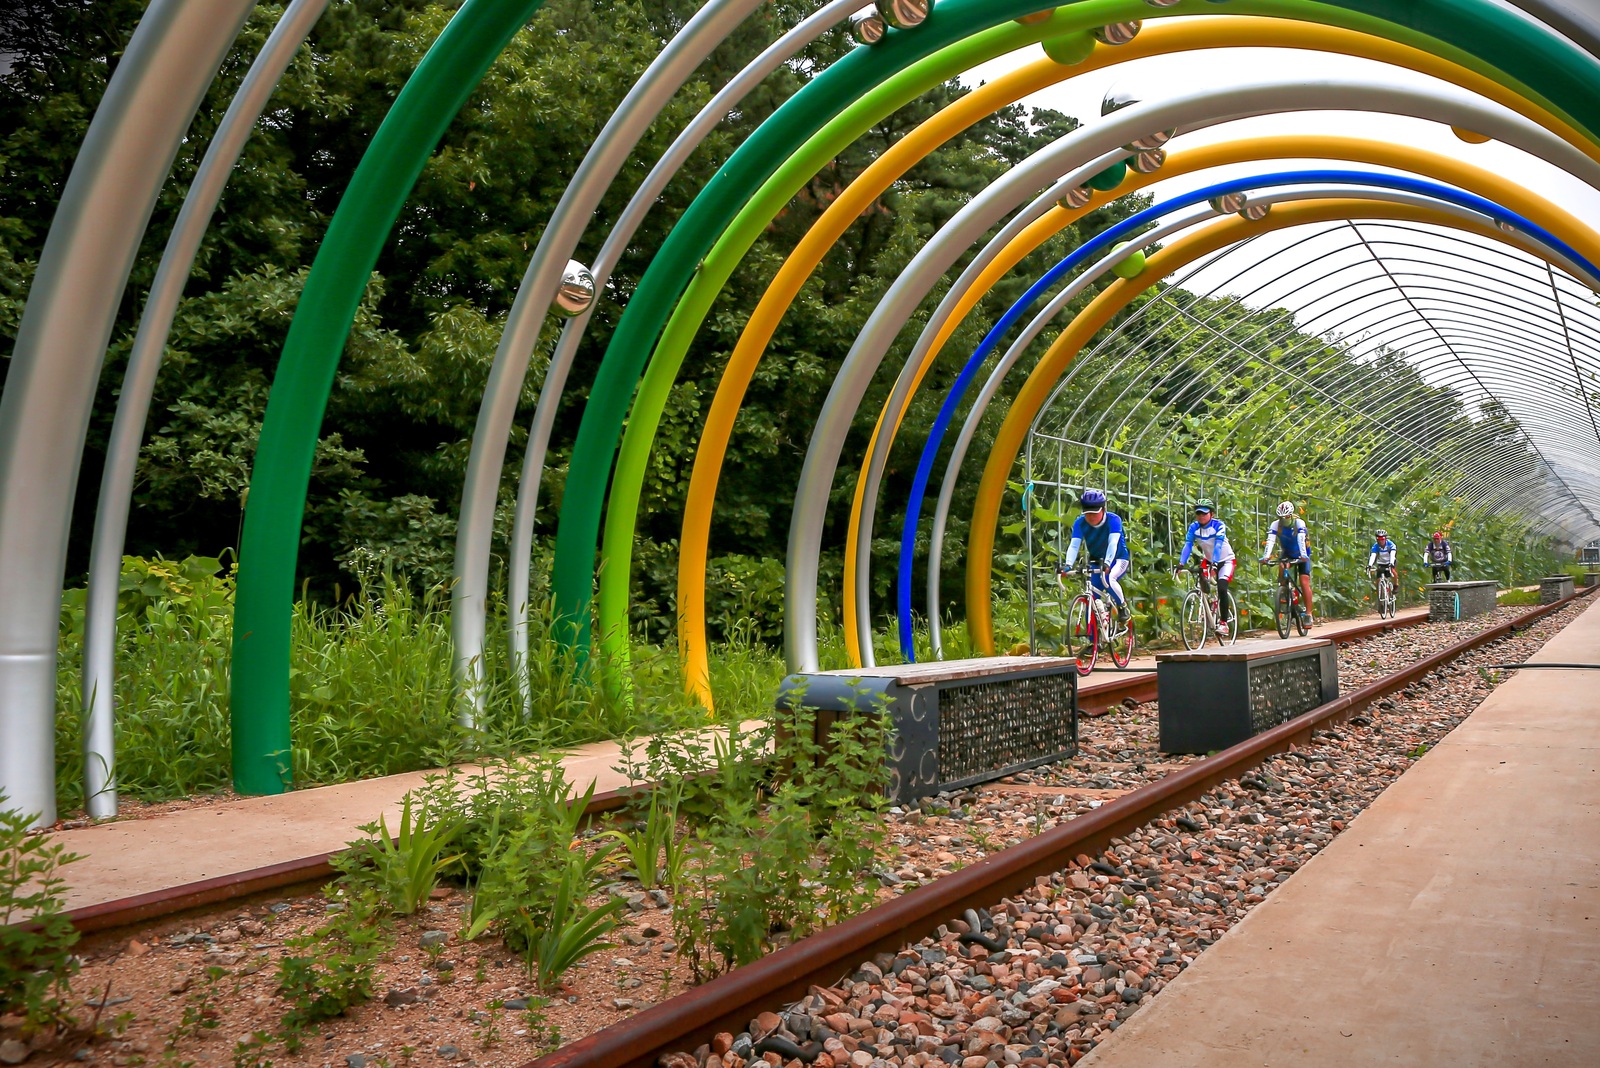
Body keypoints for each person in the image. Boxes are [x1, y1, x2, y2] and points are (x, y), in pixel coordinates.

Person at [1061, 488, 1132, 624]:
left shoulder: (1114, 520)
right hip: (1096, 561)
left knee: (1109, 579)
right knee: (1091, 601)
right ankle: (1093, 637)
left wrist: (1107, 563)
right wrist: (1068, 565)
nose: (1091, 517)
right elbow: (1074, 545)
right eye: (1087, 513)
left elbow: (1113, 543)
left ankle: (1122, 606)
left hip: (1118, 559)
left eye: (1094, 513)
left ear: (1103, 509)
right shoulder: (1080, 523)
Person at [1177, 498, 1236, 626]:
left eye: (1204, 513)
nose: (1201, 516)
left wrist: (1215, 563)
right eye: (1198, 513)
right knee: (1202, 583)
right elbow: (1188, 545)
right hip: (1209, 560)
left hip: (1225, 560)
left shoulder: (1218, 525)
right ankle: (1208, 609)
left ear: (1212, 514)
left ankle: (1224, 623)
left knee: (1222, 588)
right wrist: (1181, 564)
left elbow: (1218, 545)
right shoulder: (1194, 527)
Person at [1260, 500, 1314, 626]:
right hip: (1288, 553)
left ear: (1291, 515)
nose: (1284, 519)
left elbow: (1301, 539)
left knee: (1304, 581)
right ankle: (1284, 590)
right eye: (1281, 517)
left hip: (1302, 553)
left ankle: (1309, 614)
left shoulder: (1299, 523)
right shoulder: (1276, 525)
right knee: (1282, 567)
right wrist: (1266, 557)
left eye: (1286, 517)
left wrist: (1303, 555)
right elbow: (1270, 541)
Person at [1368, 528, 1399, 595]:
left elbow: (1392, 554)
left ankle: (1396, 585)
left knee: (1393, 572)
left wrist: (1391, 563)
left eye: (1382, 539)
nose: (1381, 541)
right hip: (1381, 563)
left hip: (1390, 561)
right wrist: (1370, 565)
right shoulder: (1376, 546)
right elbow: (1373, 555)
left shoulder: (1390, 544)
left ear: (1385, 538)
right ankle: (1380, 595)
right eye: (1379, 539)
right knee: (1378, 580)